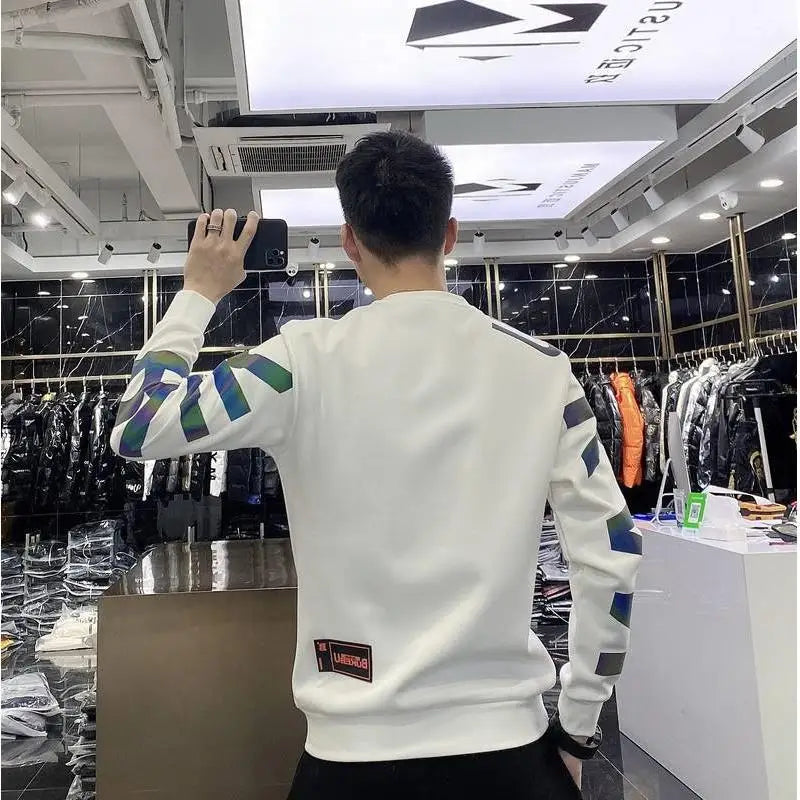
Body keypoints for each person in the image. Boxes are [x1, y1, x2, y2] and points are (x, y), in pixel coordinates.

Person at [111, 131, 641, 799]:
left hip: (351, 754)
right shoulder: (541, 371)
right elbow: (612, 552)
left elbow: (139, 425)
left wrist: (198, 291)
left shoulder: (298, 362)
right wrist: (579, 727)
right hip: (508, 749)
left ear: (350, 242)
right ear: (449, 234)